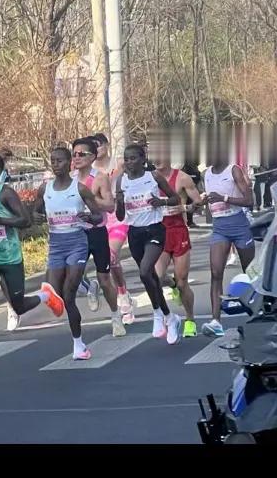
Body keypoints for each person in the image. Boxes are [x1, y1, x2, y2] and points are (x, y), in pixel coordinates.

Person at [0, 151, 63, 375]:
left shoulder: (5, 194)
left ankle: (46, 296)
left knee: (18, 306)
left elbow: (25, 221)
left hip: (10, 258)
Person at [26, 145, 117, 363]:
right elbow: (36, 212)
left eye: (60, 160)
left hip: (77, 242)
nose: (56, 164)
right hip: (56, 245)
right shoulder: (44, 188)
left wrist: (88, 218)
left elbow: (98, 216)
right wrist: (36, 218)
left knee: (68, 294)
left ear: (69, 164)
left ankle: (78, 345)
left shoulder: (81, 189)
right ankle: (87, 287)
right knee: (54, 294)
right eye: (53, 160)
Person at [114, 143, 183, 340]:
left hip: (154, 229)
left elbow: (175, 198)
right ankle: (170, 317)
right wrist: (119, 201)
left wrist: (161, 202)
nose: (129, 162)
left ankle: (157, 313)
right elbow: (120, 216)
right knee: (150, 277)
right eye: (126, 159)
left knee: (144, 270)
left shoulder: (153, 177)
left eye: (133, 158)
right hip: (135, 233)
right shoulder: (121, 181)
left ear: (143, 159)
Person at [68, 141, 129, 339]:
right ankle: (89, 287)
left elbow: (110, 206)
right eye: (74, 153)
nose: (76, 157)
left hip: (97, 231)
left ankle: (115, 316)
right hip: (77, 233)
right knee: (73, 277)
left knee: (104, 279)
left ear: (92, 157)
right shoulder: (69, 179)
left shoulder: (100, 178)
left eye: (81, 154)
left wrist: (89, 201)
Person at [201, 152, 255, 334]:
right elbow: (210, 204)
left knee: (250, 273)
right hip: (220, 227)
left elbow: (249, 200)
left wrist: (223, 198)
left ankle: (258, 314)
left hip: (239, 225)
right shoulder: (206, 173)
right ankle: (215, 321)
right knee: (216, 272)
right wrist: (204, 202)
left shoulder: (234, 170)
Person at [152, 157, 202, 338]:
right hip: (158, 232)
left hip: (178, 232)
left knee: (182, 282)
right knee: (156, 277)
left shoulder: (182, 178)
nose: (157, 159)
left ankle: (190, 319)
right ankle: (170, 284)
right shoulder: (149, 178)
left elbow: (198, 202)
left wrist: (184, 208)